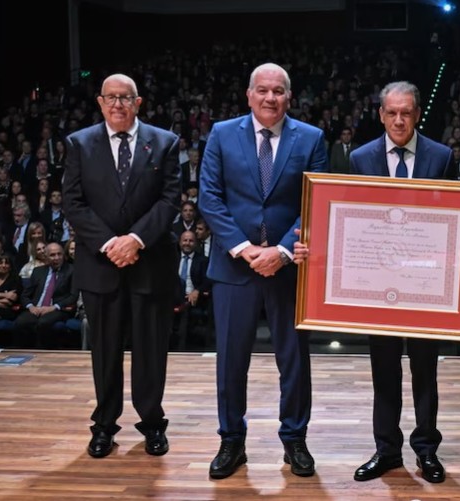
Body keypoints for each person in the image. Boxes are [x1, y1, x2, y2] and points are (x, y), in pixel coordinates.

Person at [302, 81, 460, 485]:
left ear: (417, 113)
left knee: (425, 370)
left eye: (406, 112)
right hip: (378, 282)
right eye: (392, 113)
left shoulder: (441, 156)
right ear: (381, 114)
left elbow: (457, 215)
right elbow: (350, 216)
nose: (399, 120)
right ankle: (386, 450)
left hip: (425, 282)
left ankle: (426, 451)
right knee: (383, 370)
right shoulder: (361, 157)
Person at [199, 62, 328, 480]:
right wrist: (246, 249)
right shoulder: (221, 134)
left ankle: (295, 439)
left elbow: (317, 202)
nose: (270, 97)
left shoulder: (311, 138)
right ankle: (231, 441)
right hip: (235, 266)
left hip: (289, 270)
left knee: (293, 362)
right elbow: (209, 198)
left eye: (278, 91)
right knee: (230, 362)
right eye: (263, 90)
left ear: (289, 97)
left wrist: (284, 251)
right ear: (249, 94)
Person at [63, 73, 181, 459]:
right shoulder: (79, 144)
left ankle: (152, 424)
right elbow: (73, 203)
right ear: (99, 102)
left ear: (139, 102)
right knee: (105, 351)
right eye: (110, 98)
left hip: (150, 263)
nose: (118, 104)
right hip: (101, 264)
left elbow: (169, 201)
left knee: (151, 351)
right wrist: (110, 243)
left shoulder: (165, 142)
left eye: (125, 97)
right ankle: (104, 426)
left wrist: (136, 240)